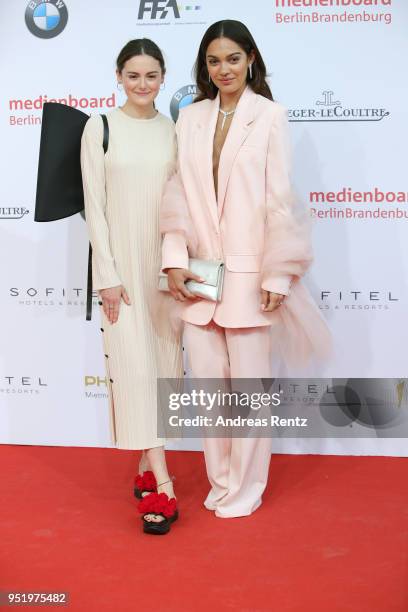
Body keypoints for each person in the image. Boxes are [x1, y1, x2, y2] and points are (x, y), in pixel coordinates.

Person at [160, 20, 331, 518]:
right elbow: (178, 193)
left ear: (251, 58)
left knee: (251, 394)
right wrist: (173, 260)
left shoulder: (270, 117)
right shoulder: (189, 118)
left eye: (233, 59)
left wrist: (279, 274)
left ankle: (247, 487)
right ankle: (221, 482)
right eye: (214, 61)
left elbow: (279, 203)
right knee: (210, 392)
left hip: (251, 277)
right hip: (197, 278)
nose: (224, 69)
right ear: (204, 67)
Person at [81, 39, 182, 534]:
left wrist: (177, 267)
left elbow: (181, 204)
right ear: (118, 76)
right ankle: (164, 484)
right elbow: (93, 209)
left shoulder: (172, 131)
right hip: (120, 271)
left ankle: (145, 467)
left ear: (164, 77)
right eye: (133, 75)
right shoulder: (99, 127)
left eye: (151, 75)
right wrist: (108, 277)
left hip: (163, 272)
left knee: (162, 372)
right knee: (135, 370)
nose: (142, 84)